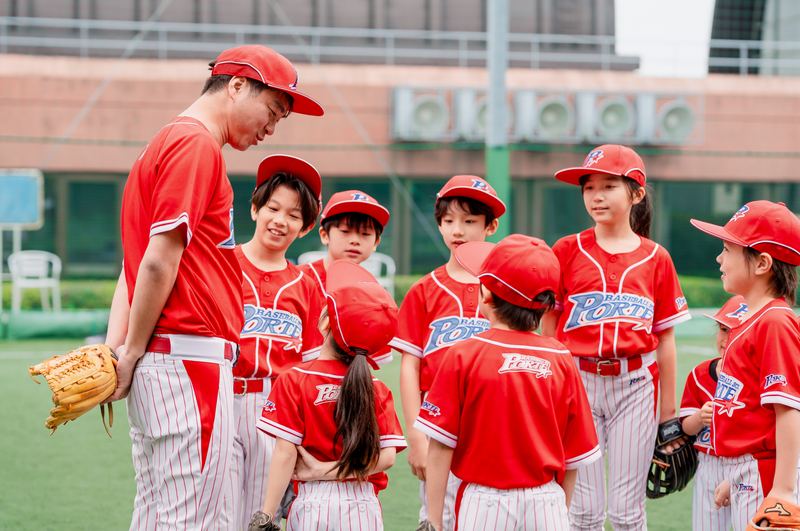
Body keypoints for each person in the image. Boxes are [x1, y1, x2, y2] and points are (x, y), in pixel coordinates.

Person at [103, 45, 323, 530]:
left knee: (158, 515)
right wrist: (129, 351)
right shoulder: (196, 144)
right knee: (193, 519)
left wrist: (118, 347)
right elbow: (155, 264)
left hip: (169, 360)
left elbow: (131, 266)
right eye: (272, 111)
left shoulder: (166, 140)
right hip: (187, 360)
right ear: (237, 86)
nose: (271, 128)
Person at [541, 144, 691, 531]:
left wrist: (669, 415)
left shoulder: (656, 257)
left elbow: (666, 339)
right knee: (584, 510)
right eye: (589, 187)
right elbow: (549, 329)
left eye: (609, 186)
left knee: (627, 512)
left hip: (636, 386)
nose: (597, 196)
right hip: (577, 382)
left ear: (636, 194)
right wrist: (549, 388)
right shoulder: (566, 250)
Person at [416, 234, 601, 531]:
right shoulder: (561, 357)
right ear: (545, 305)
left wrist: (434, 521)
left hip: (485, 503)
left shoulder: (464, 353)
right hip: (547, 502)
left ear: (486, 295)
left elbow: (440, 447)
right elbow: (573, 457)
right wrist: (557, 511)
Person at [247, 260, 407, 531]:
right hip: (364, 503)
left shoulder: (294, 378)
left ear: (324, 324)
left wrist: (267, 515)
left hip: (313, 501)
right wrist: (333, 470)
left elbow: (285, 454)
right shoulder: (376, 387)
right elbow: (387, 458)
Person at [389, 174, 505, 531]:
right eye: (449, 220)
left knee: (490, 514)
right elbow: (410, 367)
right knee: (436, 517)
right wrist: (415, 435)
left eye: (470, 221)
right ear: (439, 224)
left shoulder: (504, 290)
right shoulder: (424, 290)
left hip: (493, 415)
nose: (458, 230)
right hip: (437, 416)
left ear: (490, 226)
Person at [220, 155, 325, 529]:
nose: (280, 220)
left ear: (305, 228)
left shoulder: (307, 286)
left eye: (294, 215)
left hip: (275, 408)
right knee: (215, 509)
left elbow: (313, 367)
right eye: (273, 208)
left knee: (258, 512)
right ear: (254, 209)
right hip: (221, 396)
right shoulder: (221, 267)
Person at [690, 201, 800, 531]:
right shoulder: (750, 320)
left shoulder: (775, 321)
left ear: (762, 263)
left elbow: (788, 410)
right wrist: (734, 476)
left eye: (727, 249)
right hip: (746, 470)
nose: (719, 258)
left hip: (764, 473)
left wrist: (782, 490)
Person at [298, 190, 393, 365]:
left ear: (376, 243)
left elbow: (369, 362)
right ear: (324, 235)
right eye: (345, 231)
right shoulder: (298, 278)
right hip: (296, 377)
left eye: (365, 234)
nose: (355, 240)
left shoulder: (374, 295)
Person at [679, 295, 746, 531]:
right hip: (709, 465)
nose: (726, 338)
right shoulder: (699, 374)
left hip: (746, 464)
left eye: (737, 331)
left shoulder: (757, 378)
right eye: (723, 329)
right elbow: (686, 427)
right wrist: (699, 418)